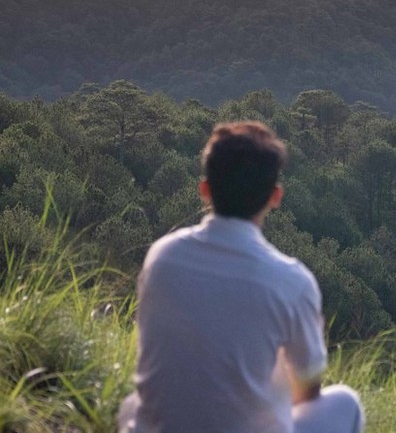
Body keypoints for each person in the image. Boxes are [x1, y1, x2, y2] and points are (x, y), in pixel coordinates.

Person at [118, 120, 364, 433]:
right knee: (346, 403)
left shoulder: (162, 256)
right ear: (275, 196)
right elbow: (307, 392)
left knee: (131, 404)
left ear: (204, 189)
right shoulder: (291, 282)